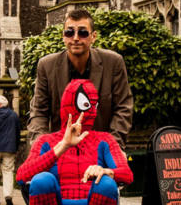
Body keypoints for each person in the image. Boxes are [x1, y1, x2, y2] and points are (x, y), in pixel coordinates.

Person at [28, 8, 134, 149]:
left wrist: (111, 147)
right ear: (63, 36)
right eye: (70, 32)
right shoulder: (46, 66)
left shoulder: (113, 62)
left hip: (100, 150)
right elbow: (38, 112)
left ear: (93, 36)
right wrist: (42, 147)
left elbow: (123, 108)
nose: (76, 38)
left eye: (83, 33)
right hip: (61, 151)